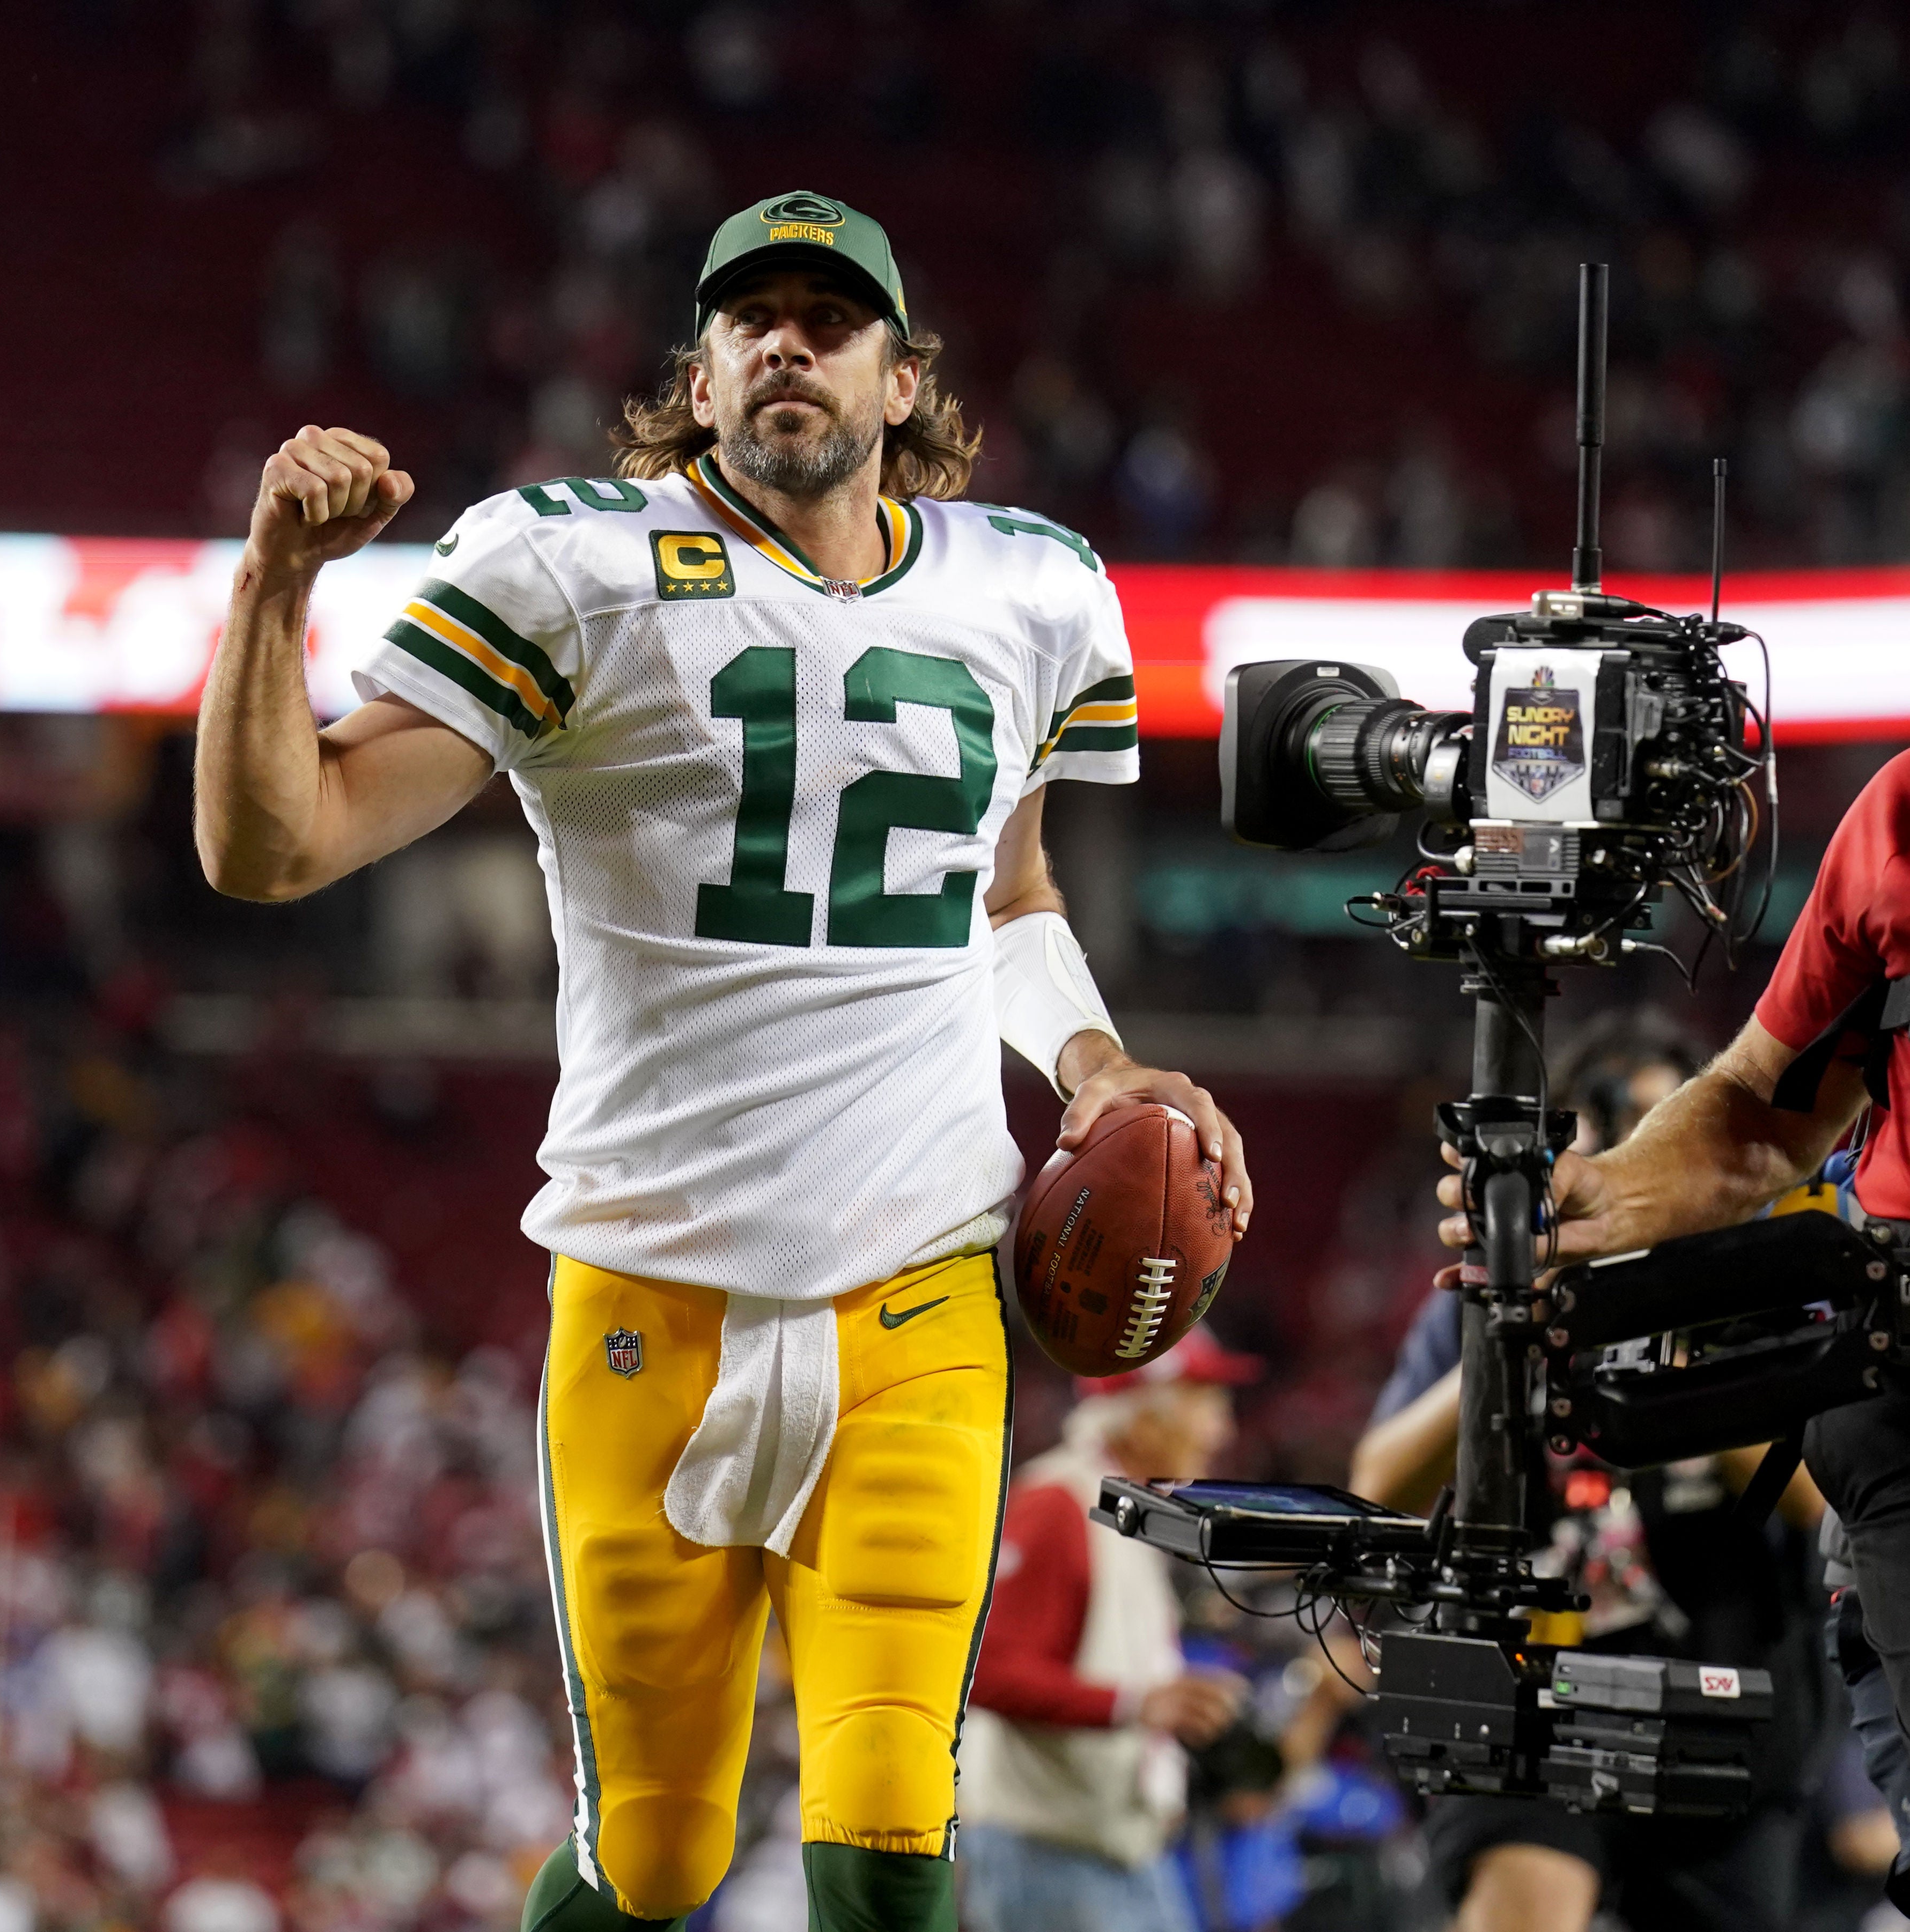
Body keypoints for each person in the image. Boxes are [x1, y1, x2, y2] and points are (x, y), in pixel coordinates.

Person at [194, 191, 1253, 1932]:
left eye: (827, 318)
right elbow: (272, 847)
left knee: (888, 1840)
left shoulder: (1031, 587)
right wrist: (274, 586)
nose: (785, 339)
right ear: (694, 374)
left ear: (901, 380)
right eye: (746, 315)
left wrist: (1092, 1061)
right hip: (651, 1291)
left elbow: (1008, 889)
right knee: (658, 1857)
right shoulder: (566, 565)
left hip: (922, 1286)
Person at [1367, 1009, 1828, 1932]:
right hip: (1526, 1704)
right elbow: (1378, 1486)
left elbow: (1824, 1503)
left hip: (1719, 1707)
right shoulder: (1491, 1295)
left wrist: (1678, 1350)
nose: (1628, 1154)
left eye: (1660, 1126)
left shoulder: (1757, 1282)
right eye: (1603, 1127)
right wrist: (1516, 1335)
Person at [956, 1330, 1260, 1932]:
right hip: (1050, 1847)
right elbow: (984, 1670)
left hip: (1107, 1846)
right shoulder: (1057, 1502)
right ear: (1144, 1417)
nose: (1222, 1430)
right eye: (1206, 1404)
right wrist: (1138, 1704)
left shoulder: (1119, 1508)